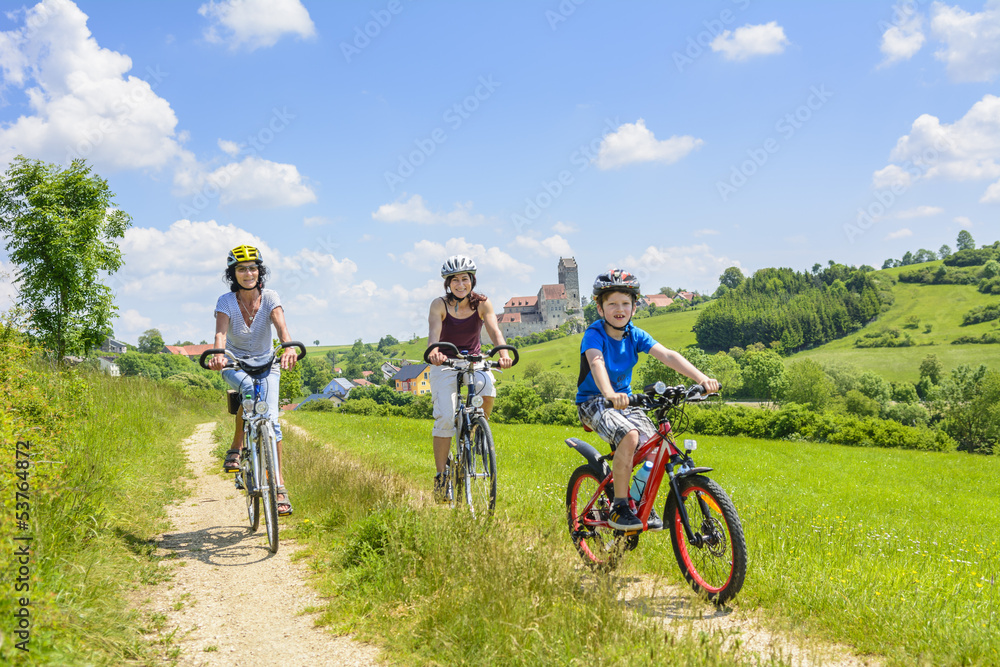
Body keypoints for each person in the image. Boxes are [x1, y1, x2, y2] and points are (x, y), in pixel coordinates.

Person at [576, 269, 720, 531]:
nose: (619, 309)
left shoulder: (634, 334)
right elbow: (596, 363)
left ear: (634, 306)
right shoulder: (594, 334)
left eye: (625, 303)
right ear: (599, 308)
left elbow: (667, 355)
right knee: (630, 436)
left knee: (658, 446)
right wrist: (609, 393)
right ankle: (619, 507)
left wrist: (702, 379)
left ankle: (638, 498)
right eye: (612, 304)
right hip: (594, 401)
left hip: (625, 401)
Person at [208, 244, 298, 516]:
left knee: (273, 421)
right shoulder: (225, 301)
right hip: (235, 364)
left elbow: (282, 326)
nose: (248, 273)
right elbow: (221, 335)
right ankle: (237, 445)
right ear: (232, 274)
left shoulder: (270, 297)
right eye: (241, 269)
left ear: (260, 271)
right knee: (247, 388)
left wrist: (289, 347)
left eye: (252, 267)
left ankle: (279, 486)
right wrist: (219, 355)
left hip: (267, 364)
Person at [426, 255, 513, 502]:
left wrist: (503, 354)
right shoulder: (439, 305)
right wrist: (434, 350)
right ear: (448, 283)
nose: (460, 284)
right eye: (455, 280)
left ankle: (477, 430)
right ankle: (442, 477)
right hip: (445, 362)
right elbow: (434, 332)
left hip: (474, 359)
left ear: (472, 280)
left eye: (465, 279)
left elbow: (495, 331)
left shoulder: (482, 304)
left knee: (489, 389)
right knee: (445, 415)